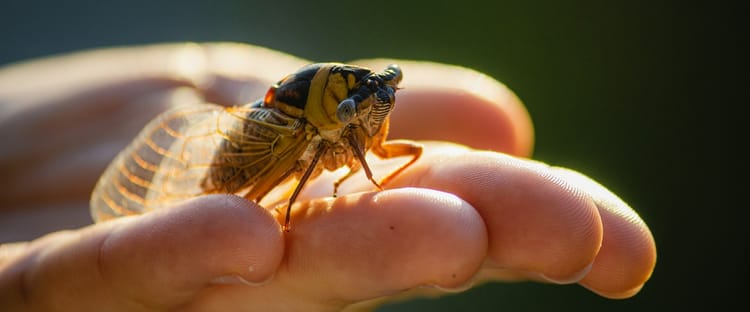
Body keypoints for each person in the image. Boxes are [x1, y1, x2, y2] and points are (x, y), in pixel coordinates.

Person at [0, 43, 656, 311]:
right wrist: (300, 191)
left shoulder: (358, 111)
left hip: (307, 133)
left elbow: (363, 146)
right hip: (254, 152)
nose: (379, 110)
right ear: (331, 106)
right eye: (361, 106)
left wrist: (359, 139)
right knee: (244, 211)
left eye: (383, 101)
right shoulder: (294, 128)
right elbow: (316, 158)